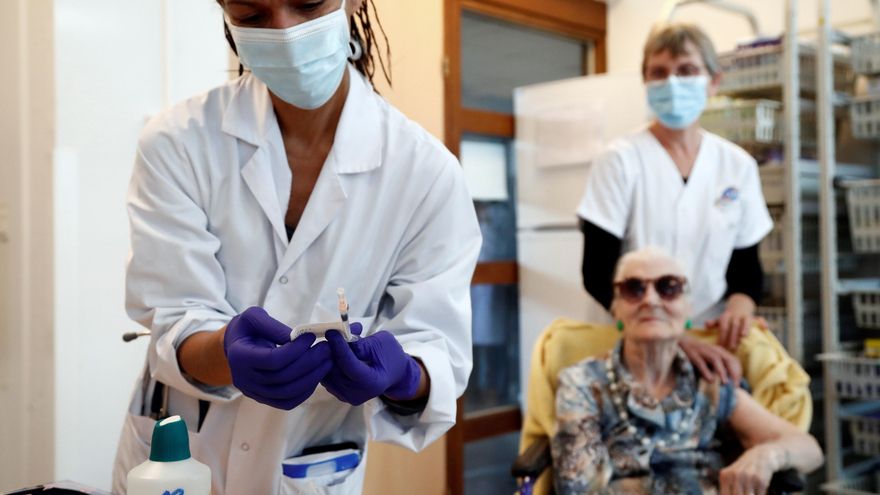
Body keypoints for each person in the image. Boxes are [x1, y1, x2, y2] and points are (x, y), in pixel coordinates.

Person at [112, 1, 482, 493]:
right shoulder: (178, 143)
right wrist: (224, 352)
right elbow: (173, 317)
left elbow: (439, 354)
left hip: (313, 464)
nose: (285, 31)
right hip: (180, 459)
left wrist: (400, 375)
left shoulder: (426, 174)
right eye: (250, 12)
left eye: (308, 2)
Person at [551, 247, 823, 495]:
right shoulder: (584, 384)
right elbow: (578, 488)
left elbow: (808, 449)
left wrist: (768, 455)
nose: (650, 300)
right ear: (616, 309)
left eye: (668, 287)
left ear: (688, 310)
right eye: (634, 288)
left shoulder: (707, 381)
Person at [577, 23, 773, 354]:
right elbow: (597, 271)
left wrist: (741, 305)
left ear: (713, 81)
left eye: (687, 71)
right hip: (633, 337)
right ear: (646, 81)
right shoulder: (620, 160)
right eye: (659, 72)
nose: (672, 82)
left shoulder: (736, 166)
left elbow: (746, 266)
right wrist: (665, 332)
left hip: (710, 335)